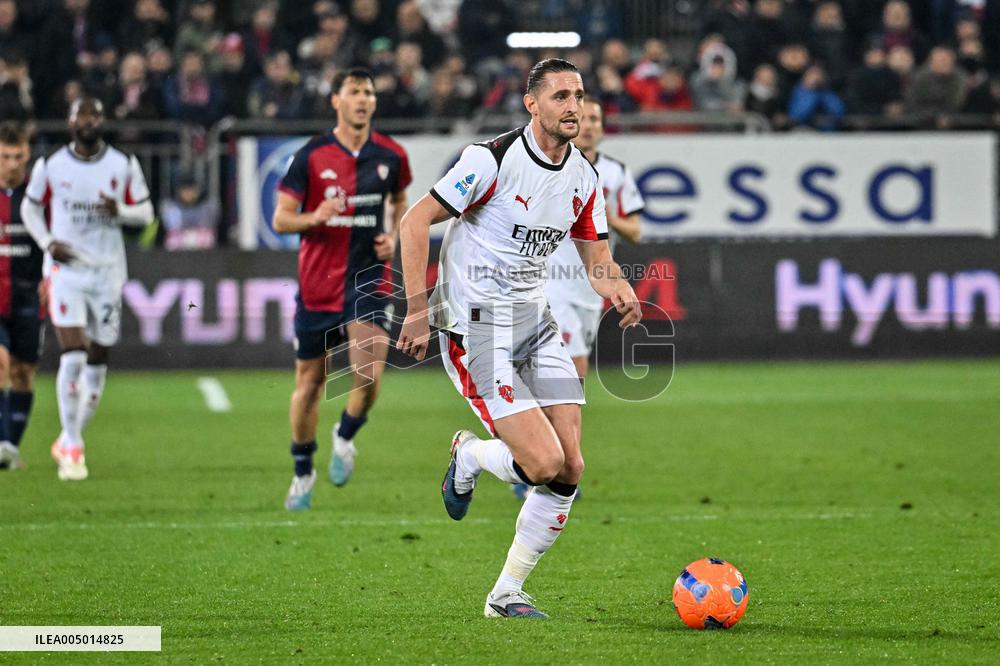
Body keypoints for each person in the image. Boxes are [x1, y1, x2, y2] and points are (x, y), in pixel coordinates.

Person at [396, 58, 642, 619]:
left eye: (579, 95)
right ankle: (470, 454)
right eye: (560, 96)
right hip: (476, 328)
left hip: (535, 323)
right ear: (532, 104)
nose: (573, 106)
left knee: (570, 467)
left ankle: (506, 592)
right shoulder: (491, 160)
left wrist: (619, 289)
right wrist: (415, 309)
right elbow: (413, 222)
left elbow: (598, 260)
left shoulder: (583, 177)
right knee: (542, 462)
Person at [273, 68, 411, 511]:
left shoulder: (391, 154)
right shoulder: (310, 156)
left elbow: (401, 202)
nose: (363, 99)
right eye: (354, 92)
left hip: (368, 278)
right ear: (336, 100)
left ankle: (345, 435)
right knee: (310, 383)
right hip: (318, 284)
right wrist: (314, 217)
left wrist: (394, 236)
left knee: (368, 377)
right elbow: (281, 219)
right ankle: (302, 472)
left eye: (368, 92)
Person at [506, 96, 645, 501]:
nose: (589, 124)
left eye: (596, 119)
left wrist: (600, 213)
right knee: (562, 381)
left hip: (590, 289)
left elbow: (636, 231)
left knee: (572, 383)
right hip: (554, 285)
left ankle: (552, 464)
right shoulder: (552, 168)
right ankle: (546, 469)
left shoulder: (613, 174)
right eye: (585, 117)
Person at [20, 97, 154, 481]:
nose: (88, 121)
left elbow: (146, 213)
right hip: (67, 272)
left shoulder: (123, 164)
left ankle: (67, 437)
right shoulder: (51, 165)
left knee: (97, 361)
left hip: (107, 273)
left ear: (103, 120)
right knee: (74, 354)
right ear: (70, 122)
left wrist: (120, 211)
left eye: (94, 114)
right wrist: (47, 242)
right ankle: (75, 446)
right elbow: (30, 208)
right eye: (82, 115)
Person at [0, 123, 44, 470]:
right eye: (5, 157)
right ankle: (2, 443)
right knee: (0, 364)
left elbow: (55, 242)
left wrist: (51, 277)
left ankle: (10, 448)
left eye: (17, 156)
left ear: (27, 155)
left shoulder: (39, 199)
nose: (12, 164)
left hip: (28, 296)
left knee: (23, 373)